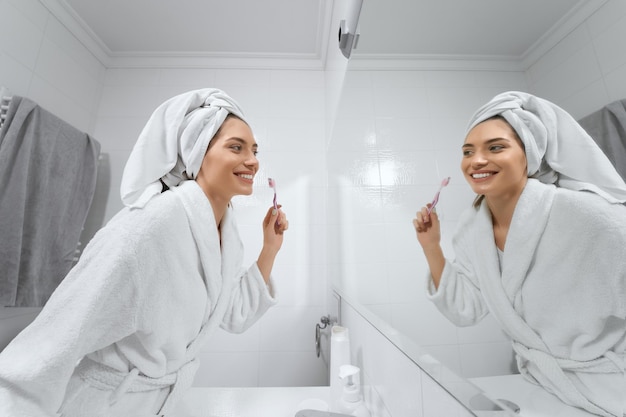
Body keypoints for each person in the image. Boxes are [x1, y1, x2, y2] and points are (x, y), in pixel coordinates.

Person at [0, 88, 289, 416]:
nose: (252, 160)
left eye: (254, 149)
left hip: (158, 403)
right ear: (197, 153)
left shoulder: (226, 232)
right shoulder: (151, 224)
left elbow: (233, 314)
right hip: (104, 405)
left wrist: (270, 247)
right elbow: (53, 341)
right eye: (236, 147)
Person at [413, 91, 626, 417]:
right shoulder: (472, 230)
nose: (477, 160)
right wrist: (431, 246)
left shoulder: (587, 214)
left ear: (528, 155)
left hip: (610, 383)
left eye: (495, 147)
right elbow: (466, 309)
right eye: (468, 152)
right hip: (541, 381)